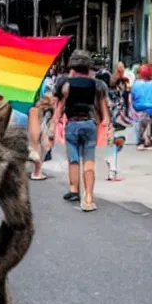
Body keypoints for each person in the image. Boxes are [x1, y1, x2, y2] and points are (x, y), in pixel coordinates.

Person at [51, 50, 110, 212]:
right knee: (89, 161)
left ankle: (73, 190)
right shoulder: (97, 84)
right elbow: (105, 113)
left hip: (72, 124)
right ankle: (89, 198)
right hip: (89, 125)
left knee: (74, 159)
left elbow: (59, 107)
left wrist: (53, 125)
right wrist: (106, 126)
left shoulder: (65, 83)